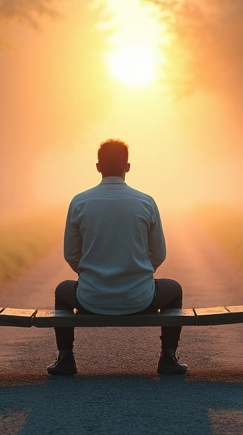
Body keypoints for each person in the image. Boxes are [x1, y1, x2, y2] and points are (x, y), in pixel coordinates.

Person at [47, 139, 187, 376]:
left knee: (62, 290)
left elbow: (71, 254)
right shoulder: (146, 202)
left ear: (98, 167)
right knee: (174, 288)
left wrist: (90, 274)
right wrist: (139, 271)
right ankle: (168, 357)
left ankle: (66, 358)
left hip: (90, 299)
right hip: (140, 299)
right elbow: (159, 253)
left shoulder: (79, 202)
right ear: (128, 167)